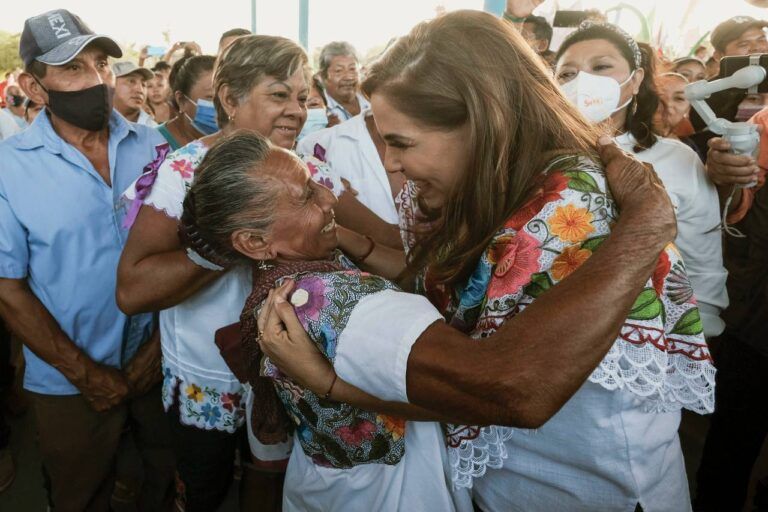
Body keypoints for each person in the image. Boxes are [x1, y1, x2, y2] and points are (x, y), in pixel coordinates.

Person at [257, 11, 703, 512]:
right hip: (509, 481)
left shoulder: (568, 205)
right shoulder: (481, 189)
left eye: (401, 142)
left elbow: (518, 391)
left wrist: (331, 384)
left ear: (482, 118)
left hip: (589, 487)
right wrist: (349, 242)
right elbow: (447, 286)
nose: (390, 163)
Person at [180, 131, 473, 511]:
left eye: (314, 182)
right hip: (393, 493)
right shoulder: (337, 303)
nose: (330, 197)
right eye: (306, 195)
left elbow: (411, 273)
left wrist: (338, 235)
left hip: (327, 486)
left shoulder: (280, 282)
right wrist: (330, 385)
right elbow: (465, 398)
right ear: (253, 242)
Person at [116, 35, 346, 511]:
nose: (297, 110)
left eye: (303, 98)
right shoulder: (186, 172)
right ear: (229, 99)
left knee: (273, 483)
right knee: (205, 492)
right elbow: (132, 289)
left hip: (287, 373)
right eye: (279, 94)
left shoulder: (311, 168)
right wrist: (215, 251)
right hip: (208, 378)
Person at [0, 9, 174, 510]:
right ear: (36, 88)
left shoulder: (153, 145)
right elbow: (8, 289)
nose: (97, 79)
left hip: (156, 363)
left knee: (161, 477)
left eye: (101, 64)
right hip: (67, 379)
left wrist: (156, 352)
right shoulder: (11, 170)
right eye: (73, 69)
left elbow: (182, 249)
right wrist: (85, 374)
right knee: (81, 492)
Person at [557, 22, 727, 339]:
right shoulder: (532, 159)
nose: (582, 81)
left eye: (601, 67)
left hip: (649, 336)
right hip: (551, 332)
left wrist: (693, 334)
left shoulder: (677, 160)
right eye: (567, 74)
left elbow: (702, 264)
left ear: (636, 80)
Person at [154, 55, 215, 151]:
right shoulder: (153, 144)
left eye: (227, 97)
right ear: (181, 100)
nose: (221, 105)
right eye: (211, 97)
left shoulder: (233, 142)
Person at [318, 42, 370, 121]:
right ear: (323, 76)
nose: (348, 77)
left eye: (352, 69)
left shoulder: (371, 102)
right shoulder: (318, 109)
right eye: (339, 71)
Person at [111, 61, 157, 126]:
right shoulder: (95, 127)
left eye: (143, 84)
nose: (140, 90)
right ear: (111, 84)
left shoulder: (155, 130)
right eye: (131, 81)